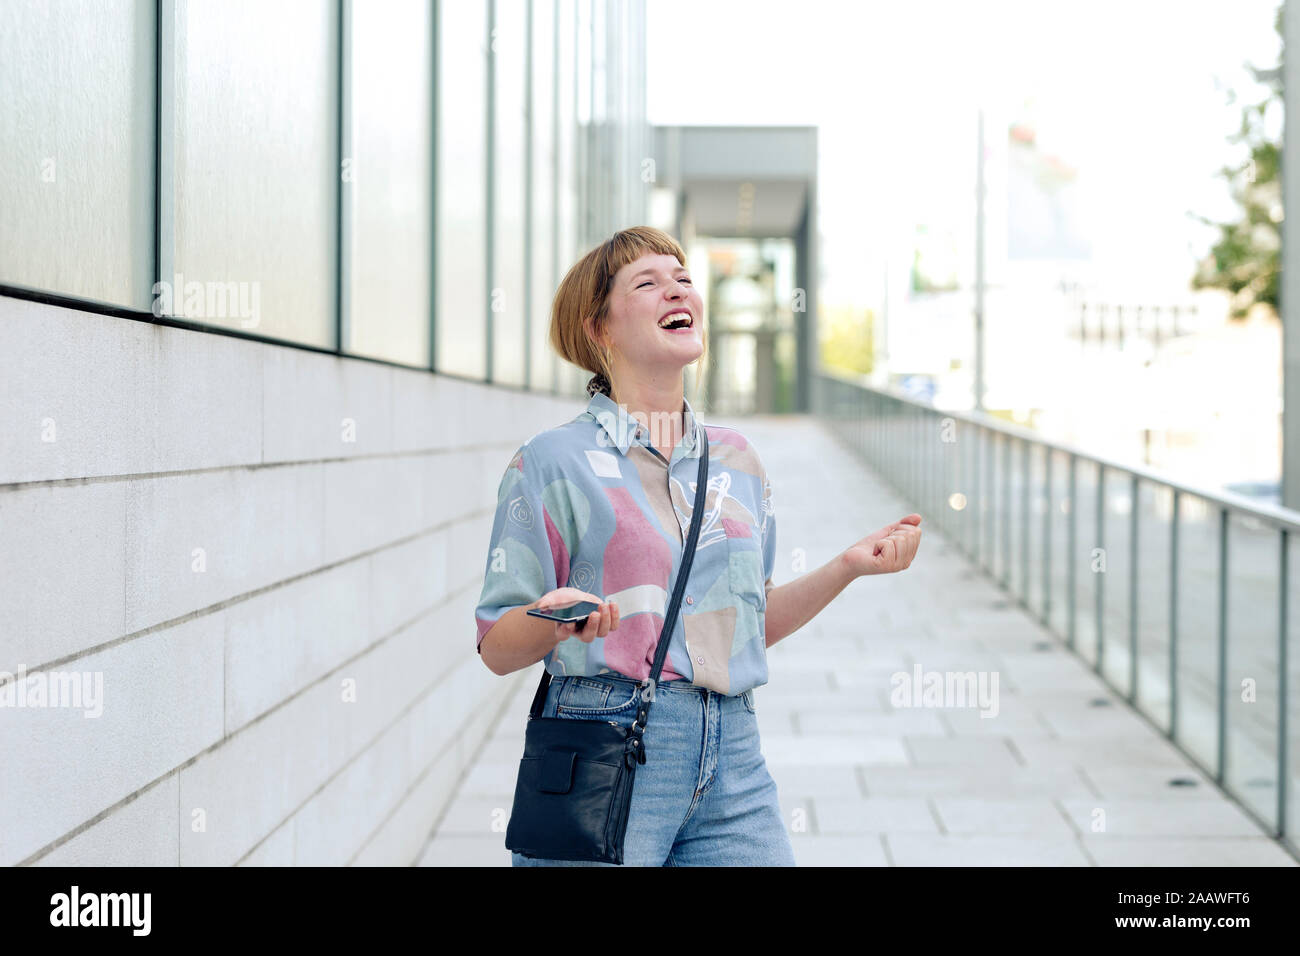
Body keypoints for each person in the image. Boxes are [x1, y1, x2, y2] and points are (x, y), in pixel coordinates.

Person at [474, 226, 922, 866]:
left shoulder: (737, 458)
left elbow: (745, 625)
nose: (676, 289)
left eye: (682, 278)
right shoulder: (552, 462)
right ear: (598, 329)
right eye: (647, 282)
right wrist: (555, 618)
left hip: (734, 756)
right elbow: (496, 645)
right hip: (605, 746)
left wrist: (847, 568)